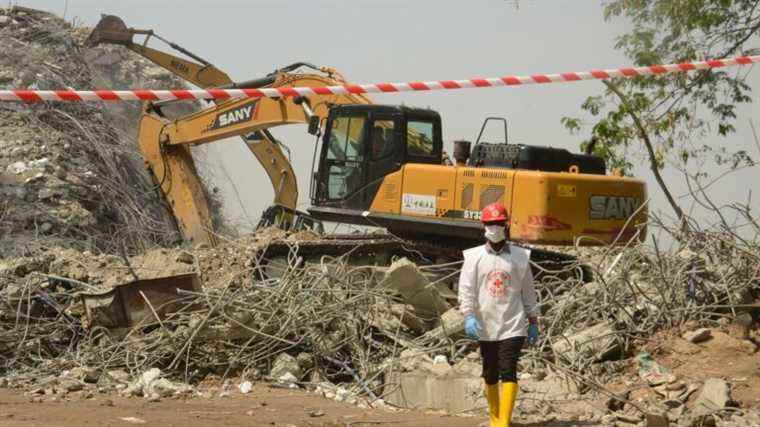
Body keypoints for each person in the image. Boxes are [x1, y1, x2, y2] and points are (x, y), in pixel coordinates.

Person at [457, 202, 539, 427]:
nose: (494, 228)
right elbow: (466, 289)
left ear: (505, 226)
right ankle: (494, 418)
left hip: (513, 323)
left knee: (508, 369)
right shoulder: (473, 257)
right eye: (490, 224)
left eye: (498, 224)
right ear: (484, 226)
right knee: (490, 372)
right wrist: (468, 315)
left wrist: (533, 320)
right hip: (485, 324)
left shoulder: (521, 256)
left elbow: (528, 291)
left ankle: (503, 422)